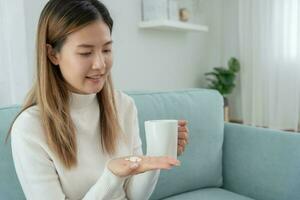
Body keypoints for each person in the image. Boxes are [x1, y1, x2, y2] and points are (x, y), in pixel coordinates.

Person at [8, 0, 189, 199]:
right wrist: (111, 178)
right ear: (53, 54)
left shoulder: (123, 105)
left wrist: (156, 157)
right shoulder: (29, 128)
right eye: (86, 52)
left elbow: (135, 196)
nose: (100, 64)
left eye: (106, 50)